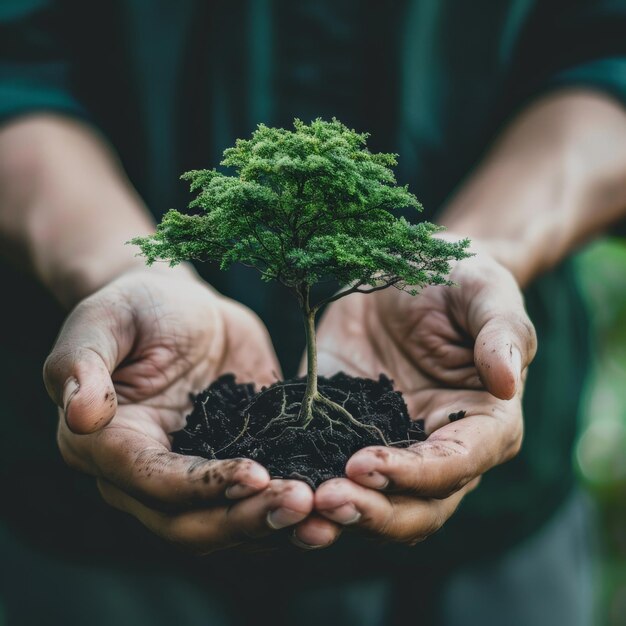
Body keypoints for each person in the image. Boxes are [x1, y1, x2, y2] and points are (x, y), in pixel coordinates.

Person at [1, 1, 625, 624]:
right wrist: (122, 270)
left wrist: (478, 250)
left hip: (484, 528)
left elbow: (607, 52)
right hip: (94, 529)